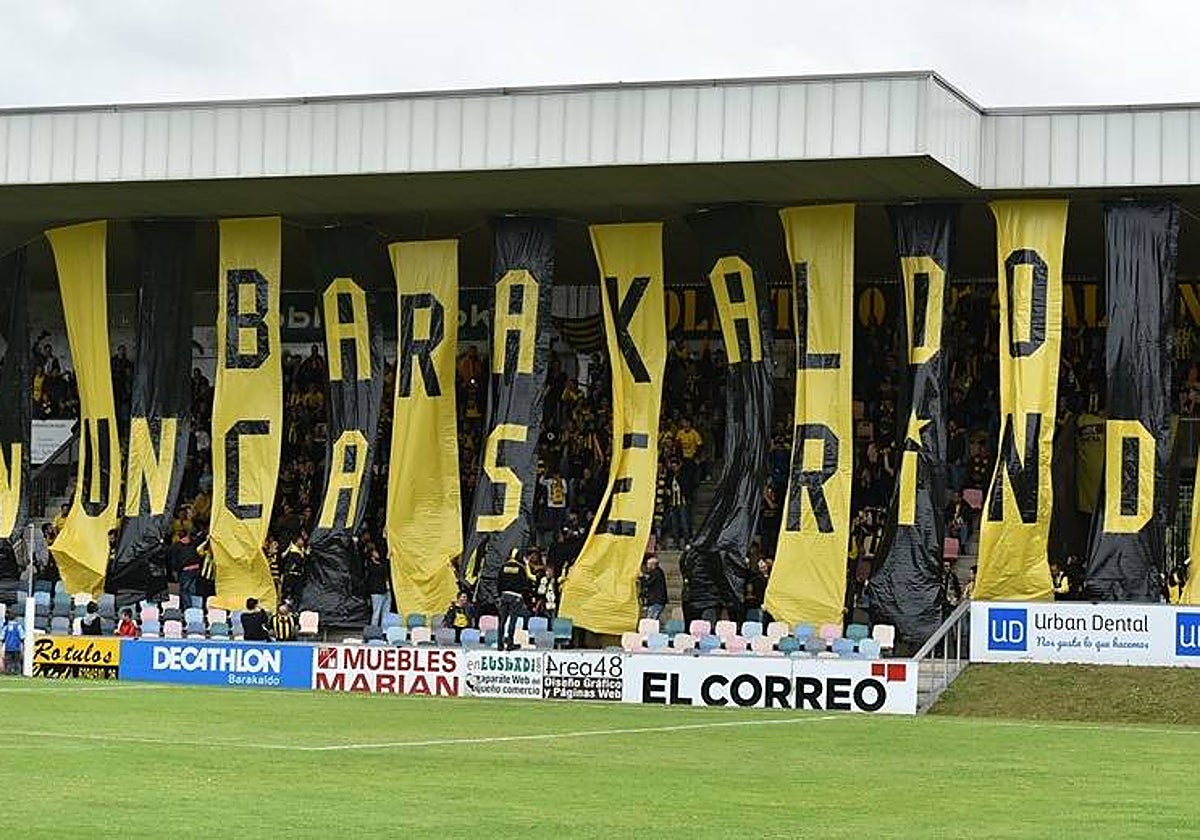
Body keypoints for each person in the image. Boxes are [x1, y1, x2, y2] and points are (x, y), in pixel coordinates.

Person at [496, 548, 532, 651]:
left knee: (502, 621)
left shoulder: (503, 567)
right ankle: (510, 644)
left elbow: (498, 582)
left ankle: (500, 644)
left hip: (504, 596)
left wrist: (500, 595)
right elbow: (525, 583)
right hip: (516, 596)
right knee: (512, 620)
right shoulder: (521, 568)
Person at [365, 545, 390, 628]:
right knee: (376, 613)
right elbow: (379, 571)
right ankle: (373, 631)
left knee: (386, 614)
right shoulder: (370, 566)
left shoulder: (381, 564)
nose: (377, 553)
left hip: (386, 590)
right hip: (377, 592)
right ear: (371, 556)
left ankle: (384, 631)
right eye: (375, 552)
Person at [640, 556, 668, 621]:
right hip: (658, 601)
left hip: (656, 601)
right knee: (651, 619)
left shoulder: (656, 573)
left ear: (653, 565)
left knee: (651, 620)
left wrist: (642, 579)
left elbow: (648, 583)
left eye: (648, 564)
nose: (647, 566)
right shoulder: (658, 572)